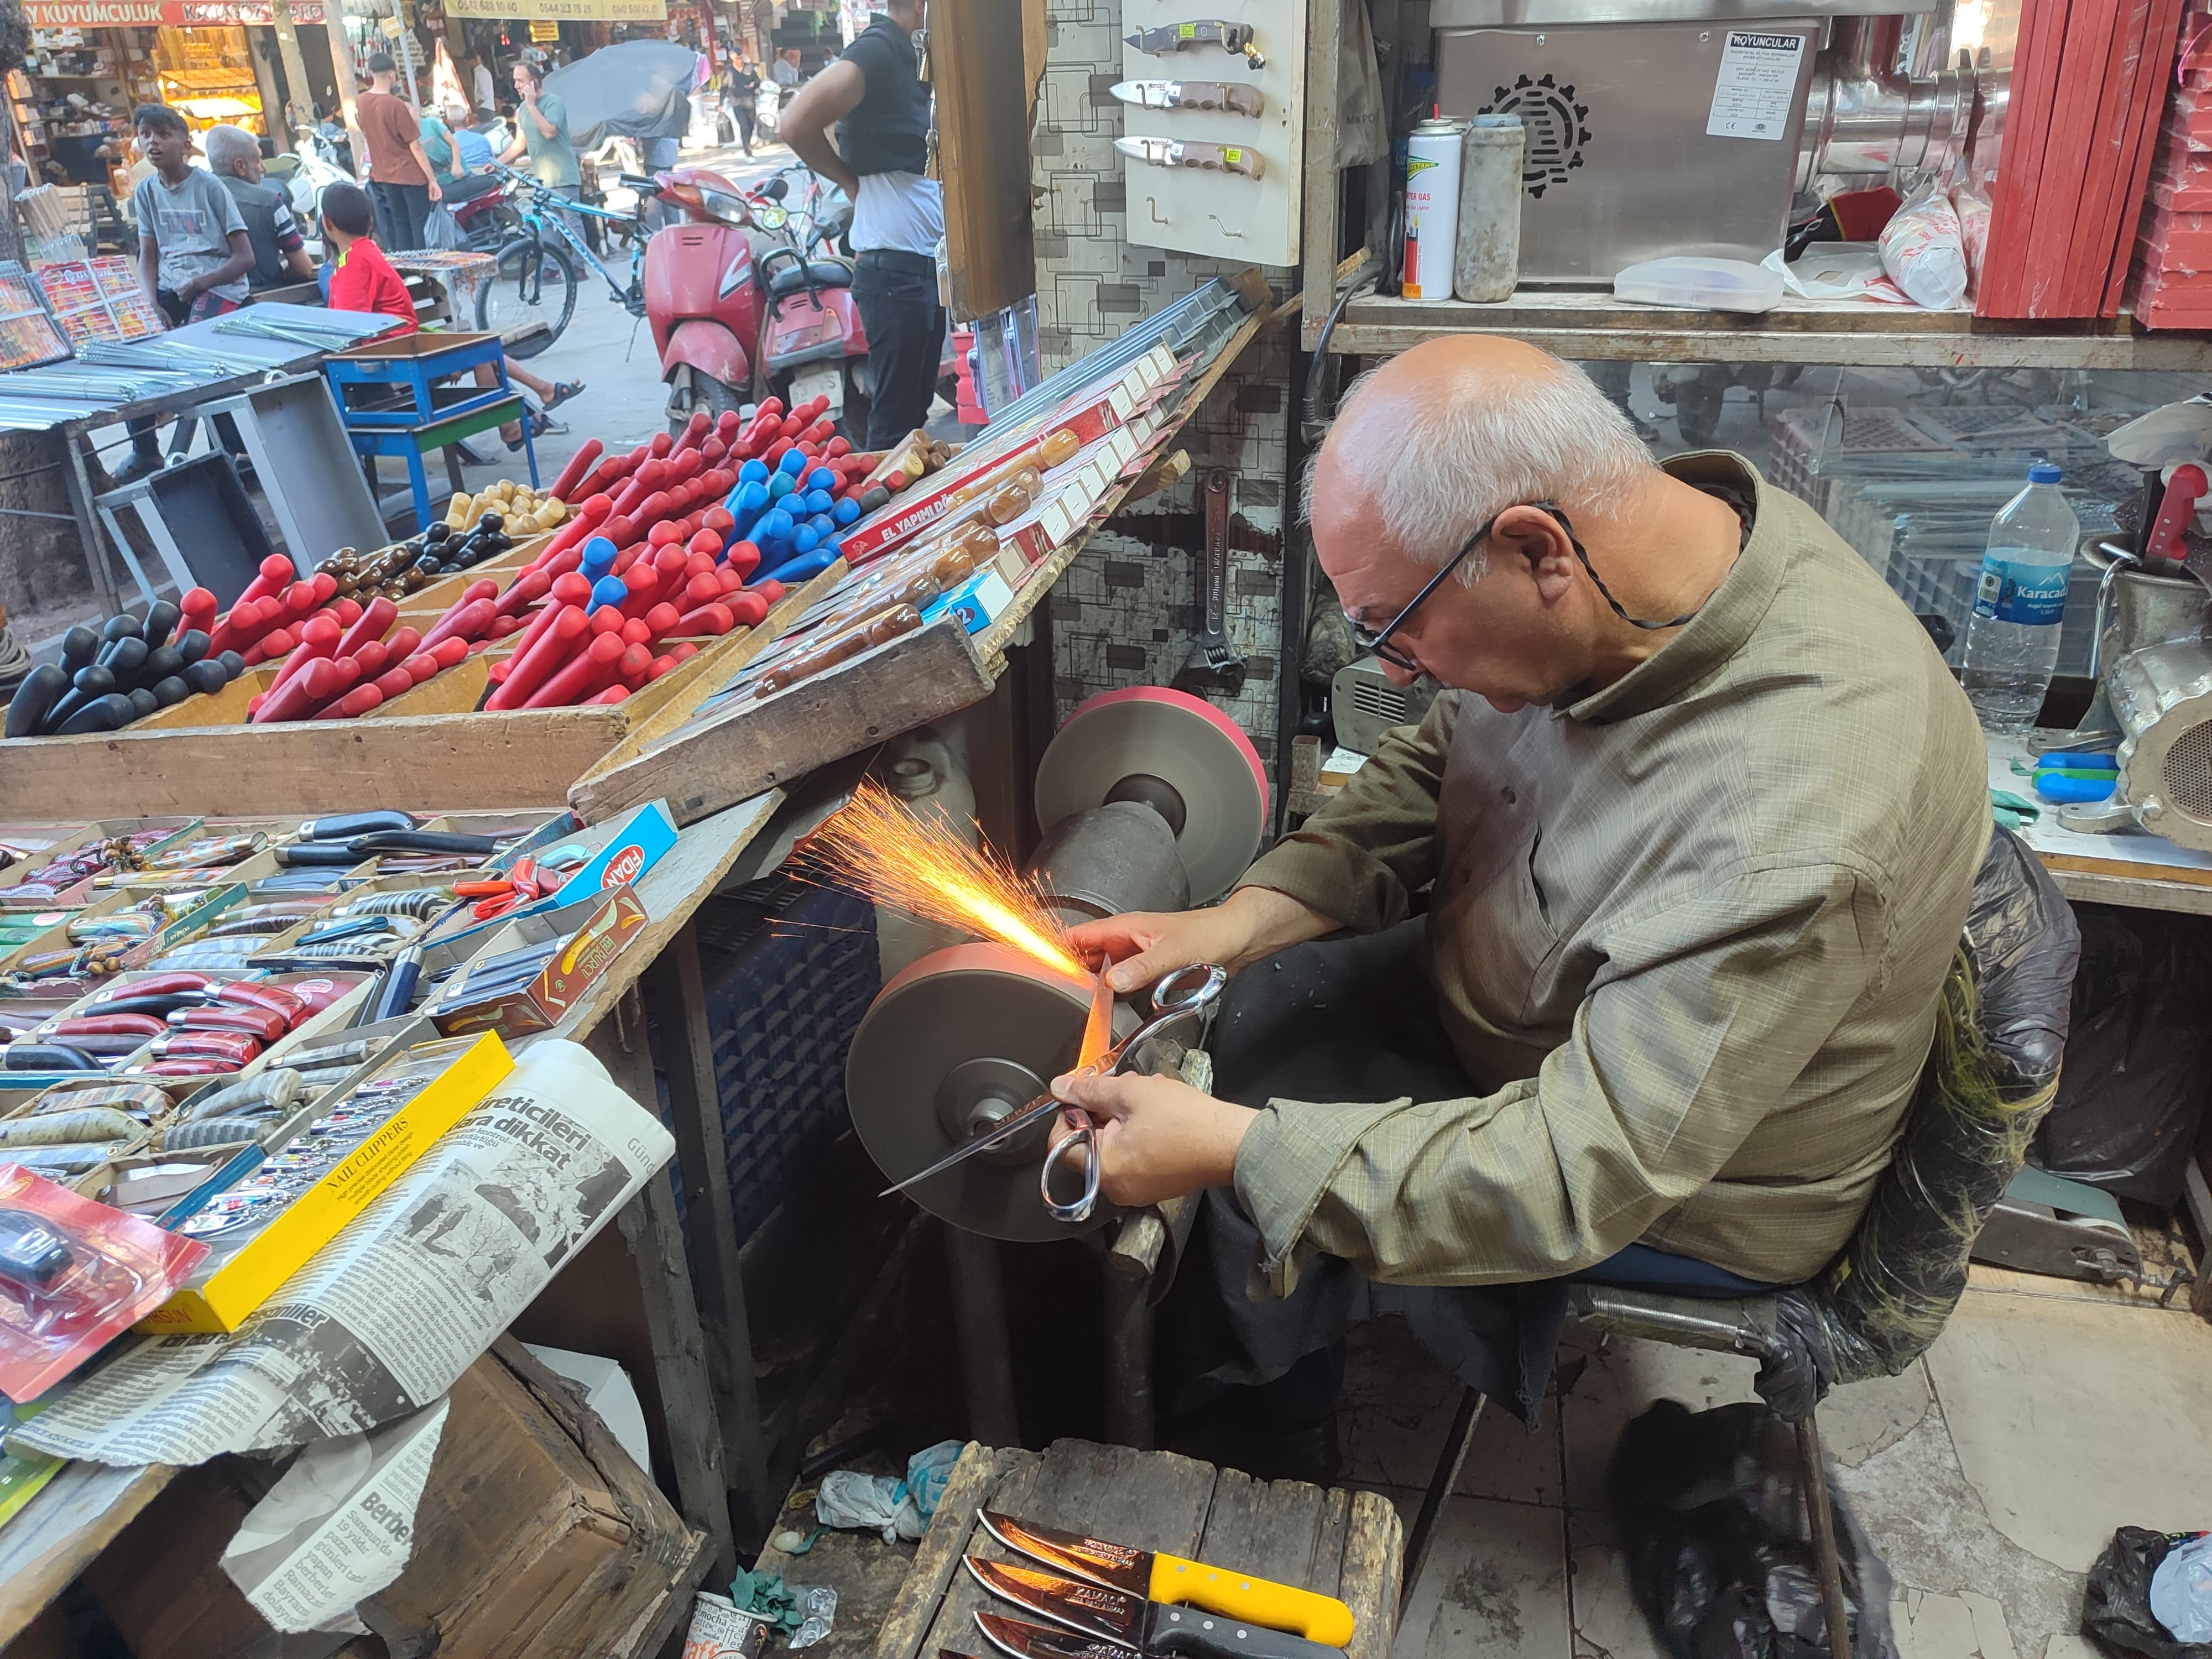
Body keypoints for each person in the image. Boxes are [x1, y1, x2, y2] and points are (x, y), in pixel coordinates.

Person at [1041, 336, 1990, 1479]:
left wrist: (1236, 1154)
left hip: (1679, 1188)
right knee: (1257, 1006)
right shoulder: (1657, 552)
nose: (1388, 672)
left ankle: (1248, 1492)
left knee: (1247, 1188)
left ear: (1532, 549)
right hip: (1532, 1005)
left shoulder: (1787, 820)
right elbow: (1444, 759)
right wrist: (1239, 919)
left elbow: (1575, 1173)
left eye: (1395, 628)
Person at [781, 0, 943, 448]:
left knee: (915, 419)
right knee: (894, 427)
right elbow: (795, 123)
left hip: (926, 267)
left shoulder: (919, 55)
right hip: (894, 273)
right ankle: (886, 517)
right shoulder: (878, 50)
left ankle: (916, 516)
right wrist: (847, 180)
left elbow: (842, 123)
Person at [112, 105, 256, 485]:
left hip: (220, 286)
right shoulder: (145, 191)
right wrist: (150, 303)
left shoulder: (210, 187)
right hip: (172, 287)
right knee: (132, 348)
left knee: (197, 352)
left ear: (185, 142)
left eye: (163, 133)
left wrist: (203, 283)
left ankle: (235, 450)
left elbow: (245, 257)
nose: (153, 142)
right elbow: (148, 255)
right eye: (146, 134)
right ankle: (145, 450)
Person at [204, 123, 314, 288]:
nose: (263, 168)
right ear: (240, 166)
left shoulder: (193, 200)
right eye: (258, 159)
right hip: (267, 298)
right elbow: (303, 268)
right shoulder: (270, 202)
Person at [355, 53, 442, 251]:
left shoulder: (361, 101)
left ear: (371, 73)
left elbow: (365, 130)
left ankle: (406, 269)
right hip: (410, 175)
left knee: (400, 223)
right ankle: (422, 270)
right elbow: (416, 146)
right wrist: (432, 179)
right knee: (418, 225)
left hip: (384, 175)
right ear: (392, 75)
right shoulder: (396, 105)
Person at [498, 59, 580, 232]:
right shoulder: (522, 109)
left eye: (521, 81)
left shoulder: (552, 102)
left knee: (571, 223)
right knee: (547, 225)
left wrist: (531, 105)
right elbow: (520, 143)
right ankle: (552, 260)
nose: (516, 86)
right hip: (542, 179)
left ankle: (581, 261)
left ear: (534, 82)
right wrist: (497, 163)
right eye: (515, 80)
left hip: (563, 176)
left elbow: (550, 132)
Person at [730, 57, 760, 156]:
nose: (738, 61)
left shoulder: (749, 68)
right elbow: (725, 86)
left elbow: (758, 81)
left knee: (751, 124)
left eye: (739, 58)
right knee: (743, 125)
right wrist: (721, 103)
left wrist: (754, 84)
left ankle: (748, 142)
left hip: (749, 100)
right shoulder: (729, 70)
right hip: (737, 101)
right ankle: (747, 148)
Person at [471, 53, 496, 118]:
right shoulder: (482, 72)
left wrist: (477, 105)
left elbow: (484, 94)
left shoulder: (480, 72)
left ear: (472, 60)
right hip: (487, 108)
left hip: (485, 108)